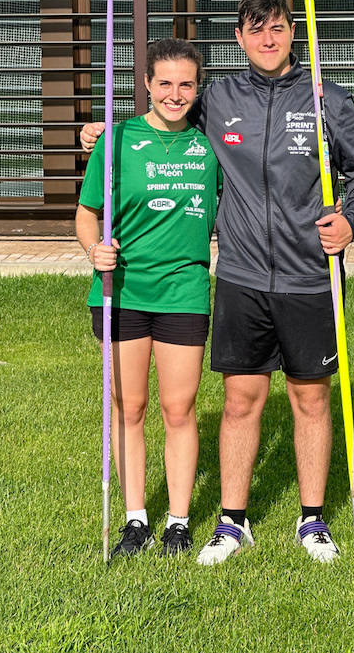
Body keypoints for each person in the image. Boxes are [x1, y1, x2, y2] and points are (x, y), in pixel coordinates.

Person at [81, 0, 354, 566]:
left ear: (293, 32)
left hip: (310, 276)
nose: (268, 40)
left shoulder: (327, 100)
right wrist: (101, 134)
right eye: (255, 30)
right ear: (240, 39)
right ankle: (232, 522)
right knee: (242, 399)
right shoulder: (217, 98)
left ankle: (313, 520)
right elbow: (163, 115)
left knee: (311, 399)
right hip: (243, 277)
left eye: (278, 28)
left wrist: (352, 219)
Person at [76, 38, 219, 559]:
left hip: (184, 291)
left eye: (186, 84)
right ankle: (136, 519)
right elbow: (87, 211)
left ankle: (178, 523)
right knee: (127, 407)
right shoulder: (115, 141)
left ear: (197, 89)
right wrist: (95, 249)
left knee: (178, 408)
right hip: (122, 291)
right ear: (147, 85)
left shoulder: (210, 147)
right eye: (165, 83)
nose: (175, 94)